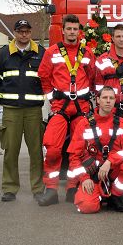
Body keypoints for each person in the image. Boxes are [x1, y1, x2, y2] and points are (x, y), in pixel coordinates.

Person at [38, 14, 96, 206]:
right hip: (60, 107)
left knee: (78, 150)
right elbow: (44, 76)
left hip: (81, 108)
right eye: (69, 29)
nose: (72, 32)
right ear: (62, 30)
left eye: (75, 29)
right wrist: (51, 97)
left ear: (79, 31)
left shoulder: (87, 53)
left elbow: (93, 77)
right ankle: (51, 189)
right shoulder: (52, 52)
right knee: (53, 149)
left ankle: (73, 187)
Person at [0, 19, 46, 202]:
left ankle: (38, 188)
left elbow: (46, 79)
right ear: (15, 32)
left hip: (33, 110)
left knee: (36, 152)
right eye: (20, 31)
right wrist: (10, 95)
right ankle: (9, 188)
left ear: (31, 33)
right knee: (11, 150)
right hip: (11, 110)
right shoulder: (4, 53)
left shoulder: (41, 52)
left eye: (27, 31)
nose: (24, 34)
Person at [67, 87, 123, 213]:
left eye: (111, 98)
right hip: (93, 174)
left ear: (114, 101)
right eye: (104, 98)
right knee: (87, 207)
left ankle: (116, 195)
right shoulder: (84, 124)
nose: (108, 101)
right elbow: (74, 156)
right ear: (98, 100)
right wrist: (84, 178)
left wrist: (110, 161)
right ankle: (99, 194)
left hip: (114, 171)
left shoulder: (122, 123)